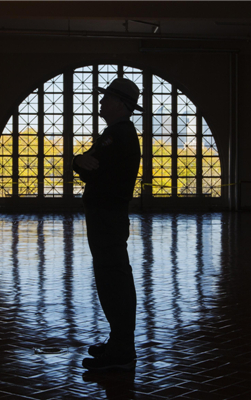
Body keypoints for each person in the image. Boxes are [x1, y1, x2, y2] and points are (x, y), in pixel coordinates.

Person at [73, 78, 142, 372]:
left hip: (106, 217)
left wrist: (78, 160)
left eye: (106, 99)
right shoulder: (118, 133)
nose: (101, 104)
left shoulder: (117, 135)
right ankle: (118, 343)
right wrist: (80, 160)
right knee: (114, 278)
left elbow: (92, 168)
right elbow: (89, 166)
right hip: (108, 216)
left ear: (119, 105)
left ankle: (122, 350)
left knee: (112, 281)